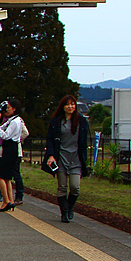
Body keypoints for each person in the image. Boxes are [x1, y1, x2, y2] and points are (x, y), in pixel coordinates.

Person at [45, 94, 89, 223]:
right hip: (61, 157)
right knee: (62, 186)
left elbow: (84, 141)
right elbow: (50, 140)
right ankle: (64, 212)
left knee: (75, 187)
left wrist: (85, 157)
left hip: (76, 158)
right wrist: (51, 155)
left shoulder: (81, 121)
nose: (70, 107)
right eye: (67, 104)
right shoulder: (56, 122)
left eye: (72, 104)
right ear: (63, 107)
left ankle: (70, 207)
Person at [0, 99, 23, 212]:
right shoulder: (12, 120)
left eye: (9, 107)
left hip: (10, 148)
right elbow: (3, 128)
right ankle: (10, 200)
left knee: (0, 175)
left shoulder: (15, 121)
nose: (7, 109)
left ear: (14, 108)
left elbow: (6, 135)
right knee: (7, 177)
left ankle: (6, 200)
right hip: (9, 148)